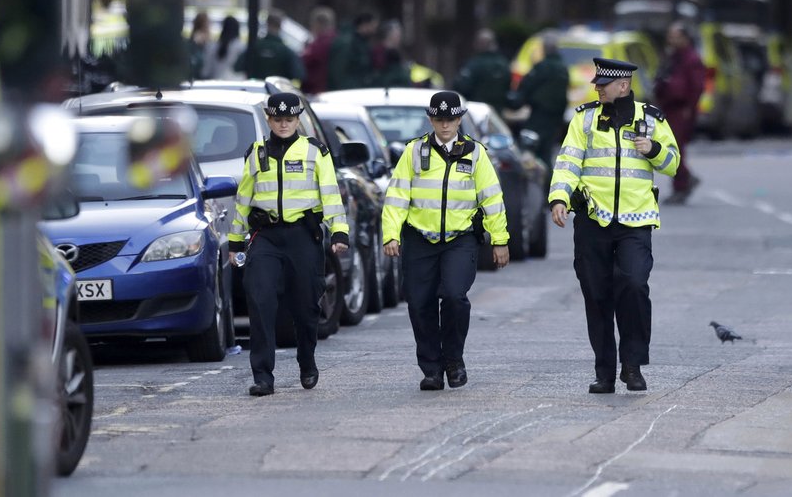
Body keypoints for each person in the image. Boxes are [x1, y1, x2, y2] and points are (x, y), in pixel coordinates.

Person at [549, 58, 680, 394]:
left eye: (604, 84)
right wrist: (559, 198)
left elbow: (673, 164)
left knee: (634, 285)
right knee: (597, 296)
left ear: (623, 85)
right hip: (593, 219)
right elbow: (567, 162)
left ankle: (633, 365)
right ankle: (604, 372)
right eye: (597, 83)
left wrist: (652, 149)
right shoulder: (585, 119)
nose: (597, 88)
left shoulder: (650, 119)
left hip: (636, 221)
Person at [381, 91, 510, 391]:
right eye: (439, 119)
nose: (445, 124)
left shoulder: (475, 153)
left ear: (460, 118)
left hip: (459, 239)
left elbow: (491, 198)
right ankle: (431, 368)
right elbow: (397, 195)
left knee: (454, 296)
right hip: (419, 239)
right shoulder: (414, 152)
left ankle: (453, 359)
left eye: (451, 118)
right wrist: (391, 233)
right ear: (430, 119)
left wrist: (500, 240)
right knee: (419, 302)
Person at [229, 93, 349, 396]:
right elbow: (243, 199)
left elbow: (330, 192)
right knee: (259, 299)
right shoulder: (255, 153)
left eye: (289, 119)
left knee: (306, 306)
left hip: (302, 237)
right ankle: (262, 376)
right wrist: (234, 241)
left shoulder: (314, 151)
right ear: (268, 120)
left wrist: (339, 232)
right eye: (277, 119)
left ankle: (307, 361)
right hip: (266, 238)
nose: (283, 124)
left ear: (297, 120)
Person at [655, 21, 706, 204]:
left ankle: (682, 183)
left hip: (681, 109)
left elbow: (696, 87)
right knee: (669, 147)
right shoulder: (673, 57)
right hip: (669, 107)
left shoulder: (691, 59)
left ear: (685, 38)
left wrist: (689, 108)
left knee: (674, 149)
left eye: (675, 36)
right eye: (670, 36)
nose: (671, 40)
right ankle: (684, 180)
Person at [515, 32, 570, 165]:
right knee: (547, 151)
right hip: (555, 118)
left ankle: (539, 182)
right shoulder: (563, 68)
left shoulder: (543, 67)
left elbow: (526, 85)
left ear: (545, 49)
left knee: (531, 150)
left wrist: (517, 102)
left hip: (539, 116)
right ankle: (548, 183)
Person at [235, 10, 305, 84]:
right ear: (280, 25)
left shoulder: (255, 46)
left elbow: (237, 67)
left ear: (267, 24)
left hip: (255, 89)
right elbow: (299, 74)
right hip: (277, 90)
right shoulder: (286, 51)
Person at [453, 29, 512, 114]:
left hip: (475, 112)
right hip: (497, 114)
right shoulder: (504, 64)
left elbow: (462, 86)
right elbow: (508, 87)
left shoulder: (474, 64)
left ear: (480, 43)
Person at [327, 11, 378, 90]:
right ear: (365, 24)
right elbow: (338, 71)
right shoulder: (347, 42)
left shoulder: (362, 43)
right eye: (372, 26)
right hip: (347, 91)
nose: (374, 31)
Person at [301, 6, 336, 94]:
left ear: (318, 24)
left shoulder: (320, 43)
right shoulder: (335, 38)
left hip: (317, 90)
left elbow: (305, 60)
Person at [372, 19, 413, 88]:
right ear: (389, 34)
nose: (399, 37)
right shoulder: (378, 52)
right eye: (397, 34)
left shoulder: (398, 51)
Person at [215, 15, 245, 80]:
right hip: (235, 82)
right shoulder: (240, 46)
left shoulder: (213, 46)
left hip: (215, 81)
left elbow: (206, 71)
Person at [187, 11, 215, 80]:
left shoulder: (203, 36)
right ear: (203, 23)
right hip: (200, 71)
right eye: (208, 22)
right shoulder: (199, 36)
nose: (210, 24)